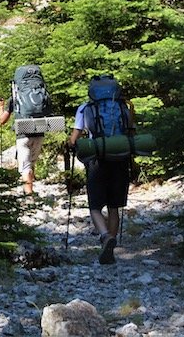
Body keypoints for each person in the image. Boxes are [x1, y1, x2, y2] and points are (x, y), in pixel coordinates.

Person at [67, 78, 136, 265]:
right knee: (114, 206)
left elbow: (75, 138)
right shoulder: (124, 107)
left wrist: (71, 144)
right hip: (120, 158)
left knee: (95, 206)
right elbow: (131, 133)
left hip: (97, 159)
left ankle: (105, 237)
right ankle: (110, 246)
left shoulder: (85, 108)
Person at [0, 94, 44, 196]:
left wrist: (1, 106)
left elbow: (2, 120)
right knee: (31, 164)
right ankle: (30, 189)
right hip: (39, 133)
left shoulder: (16, 96)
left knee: (25, 167)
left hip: (23, 135)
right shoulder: (39, 94)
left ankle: (29, 196)